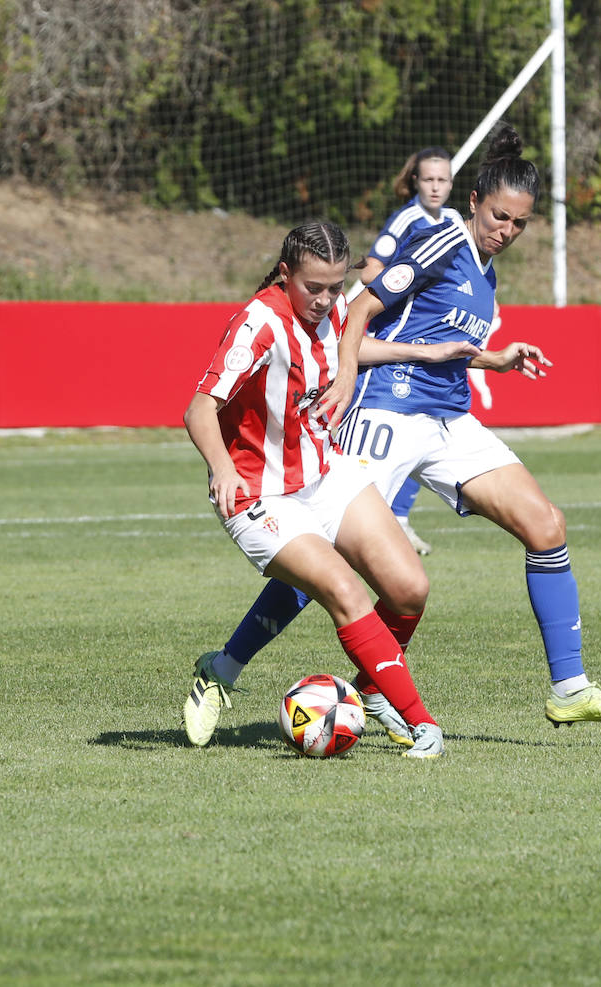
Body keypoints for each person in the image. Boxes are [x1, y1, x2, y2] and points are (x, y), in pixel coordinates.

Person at [206, 125, 601, 732]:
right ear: (473, 202)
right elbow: (361, 308)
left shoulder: (486, 272)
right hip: (386, 411)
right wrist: (341, 380)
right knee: (329, 554)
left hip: (448, 417)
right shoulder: (441, 243)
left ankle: (567, 687)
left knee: (546, 525)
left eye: (519, 224)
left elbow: (439, 342)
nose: (506, 231)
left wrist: (492, 358)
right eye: (499, 216)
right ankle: (226, 667)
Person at [180, 220, 479, 756]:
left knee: (409, 587)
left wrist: (425, 354)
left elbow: (352, 342)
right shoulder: (259, 324)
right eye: (312, 287)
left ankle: (232, 669)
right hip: (258, 493)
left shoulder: (332, 305)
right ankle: (421, 724)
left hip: (324, 472)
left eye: (335, 287)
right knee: (345, 590)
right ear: (285, 271)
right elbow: (200, 407)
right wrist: (222, 469)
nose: (324, 300)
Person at [355, 146, 465, 556]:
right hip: (399, 335)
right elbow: (371, 269)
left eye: (443, 180)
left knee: (430, 421)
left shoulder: (455, 221)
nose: (436, 186)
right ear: (415, 182)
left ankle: (398, 516)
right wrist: (403, 294)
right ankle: (374, 517)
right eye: (428, 179)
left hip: (436, 337)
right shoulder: (407, 219)